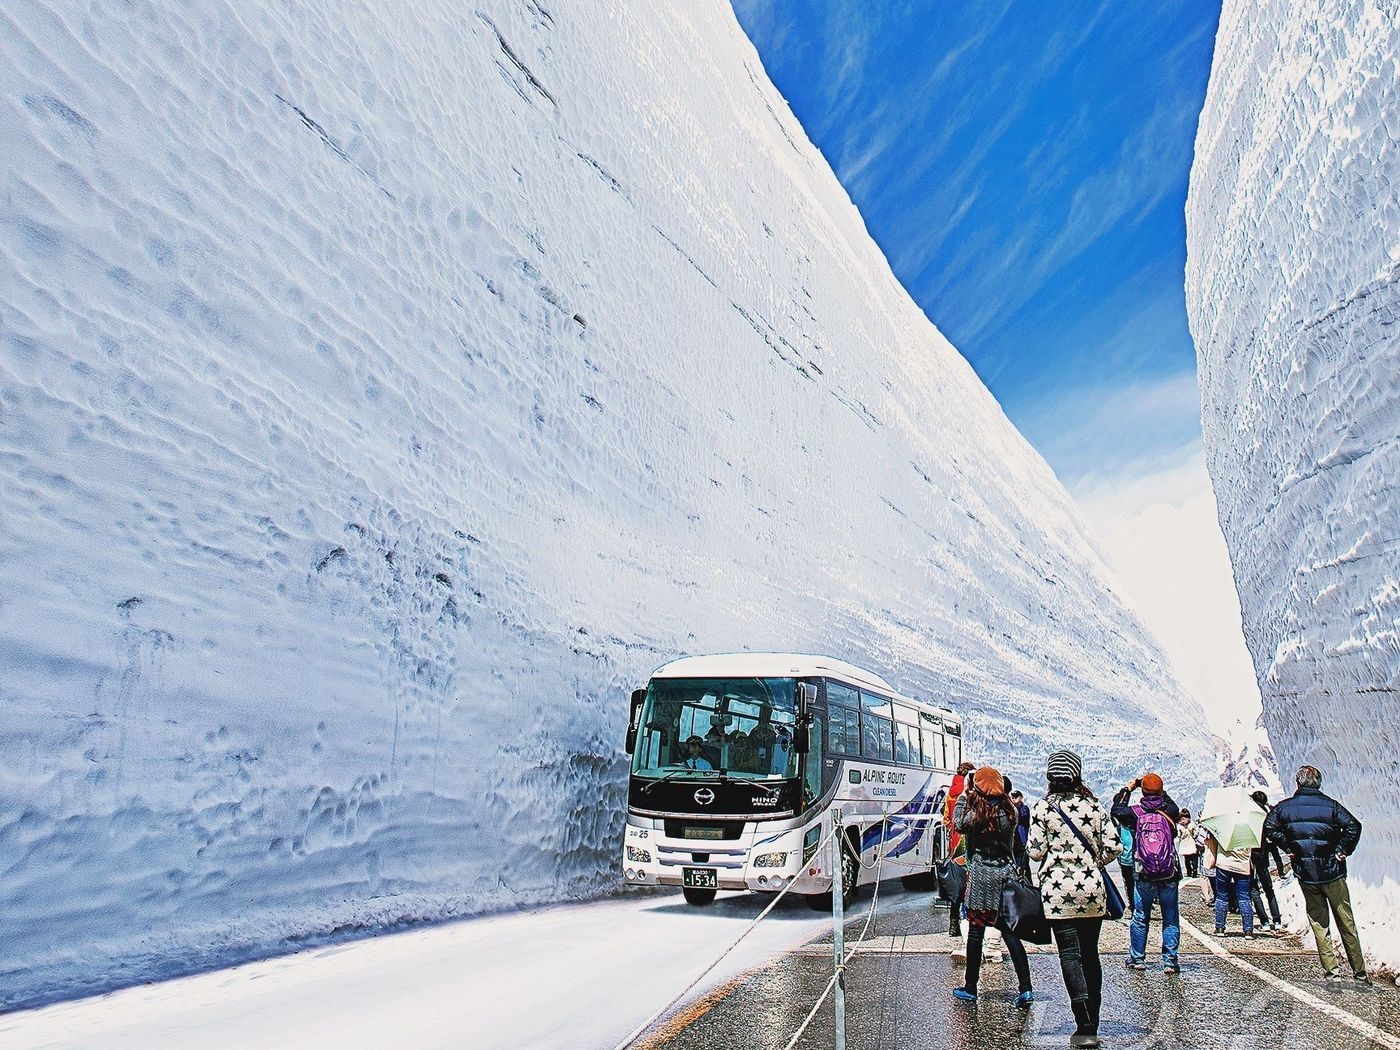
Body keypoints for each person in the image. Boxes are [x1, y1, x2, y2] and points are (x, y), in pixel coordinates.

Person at [1028, 750, 1120, 1049]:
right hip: (1092, 889)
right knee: (1091, 954)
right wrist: (1094, 863)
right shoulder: (1094, 806)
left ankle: (1083, 1024)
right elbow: (1114, 846)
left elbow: (1035, 851)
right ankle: (1093, 1019)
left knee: (1069, 955)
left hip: (1058, 892)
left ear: (1050, 778)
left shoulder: (1043, 809)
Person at [1263, 765, 1368, 983]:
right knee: (1346, 922)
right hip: (1332, 872)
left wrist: (1290, 847)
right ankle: (1359, 973)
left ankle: (1333, 973)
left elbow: (1269, 828)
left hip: (1307, 874)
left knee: (1320, 924)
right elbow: (1353, 827)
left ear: (1298, 783)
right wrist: (1341, 850)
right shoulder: (1330, 806)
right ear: (1318, 783)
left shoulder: (1285, 808)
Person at [950, 766, 1035, 1008]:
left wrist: (965, 796)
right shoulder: (1011, 812)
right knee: (1010, 934)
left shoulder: (976, 814)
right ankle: (1025, 988)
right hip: (1005, 876)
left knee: (976, 933)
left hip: (980, 879)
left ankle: (971, 987)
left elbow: (958, 823)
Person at [1112, 773, 1183, 973]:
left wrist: (1129, 788)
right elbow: (1170, 804)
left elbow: (1116, 809)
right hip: (1169, 871)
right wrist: (1159, 790)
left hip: (1144, 872)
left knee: (1141, 916)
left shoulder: (1135, 813)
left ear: (1142, 791)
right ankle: (1170, 961)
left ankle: (1138, 958)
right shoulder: (1169, 811)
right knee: (1170, 916)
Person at [943, 761, 976, 938]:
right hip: (970, 840)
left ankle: (953, 924)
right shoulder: (972, 791)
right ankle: (970, 923)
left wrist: (952, 831)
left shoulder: (950, 792)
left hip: (955, 840)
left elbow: (946, 817)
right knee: (971, 882)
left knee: (957, 882)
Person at [1248, 791, 1286, 932]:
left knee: (1254, 890)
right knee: (1269, 889)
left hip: (1252, 855)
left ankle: (1264, 920)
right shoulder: (1268, 813)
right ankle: (1277, 919)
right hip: (1264, 854)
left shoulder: (1250, 814)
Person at [1203, 831, 1254, 936]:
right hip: (1243, 865)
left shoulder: (1223, 827)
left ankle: (1220, 927)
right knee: (1244, 897)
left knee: (1222, 896)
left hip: (1224, 864)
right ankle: (1248, 930)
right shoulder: (1249, 829)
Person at [1177, 810, 1200, 878]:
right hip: (1185, 844)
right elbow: (1178, 835)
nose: (1183, 820)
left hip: (1191, 843)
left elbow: (1196, 833)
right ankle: (1189, 871)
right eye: (1182, 819)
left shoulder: (1192, 824)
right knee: (1187, 858)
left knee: (1193, 858)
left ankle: (1195, 870)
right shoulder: (1180, 826)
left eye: (1185, 818)